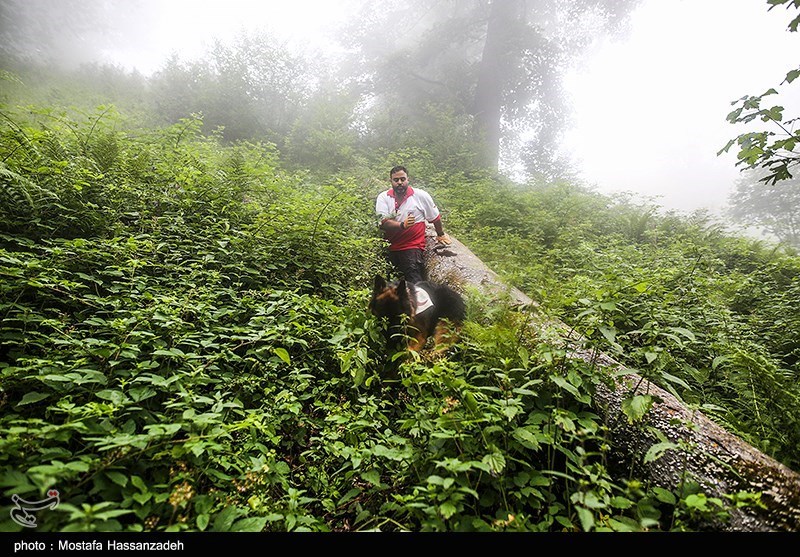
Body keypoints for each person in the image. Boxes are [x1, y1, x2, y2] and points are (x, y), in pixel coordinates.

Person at [375, 165, 452, 284]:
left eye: (402, 179)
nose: (399, 182)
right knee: (389, 284)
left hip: (412, 246)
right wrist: (402, 225)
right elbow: (383, 222)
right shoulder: (384, 197)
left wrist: (440, 234)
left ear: (408, 180)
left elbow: (435, 217)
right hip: (389, 246)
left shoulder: (420, 196)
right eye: (396, 180)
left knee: (414, 282)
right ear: (390, 181)